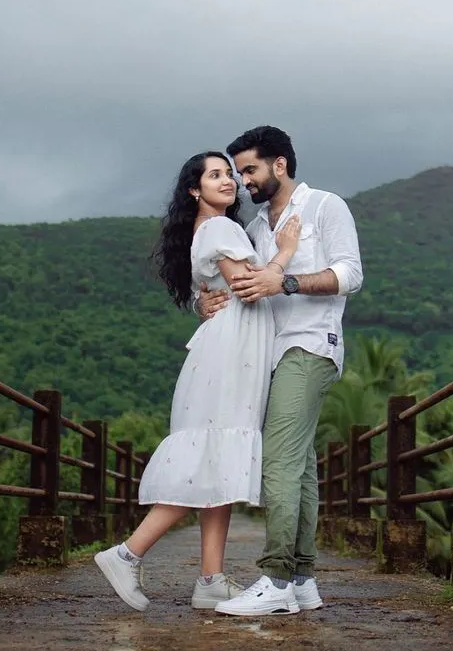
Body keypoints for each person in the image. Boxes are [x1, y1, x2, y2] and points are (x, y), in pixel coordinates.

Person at [94, 151, 301, 612]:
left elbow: (213, 294)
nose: (227, 180)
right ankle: (127, 553)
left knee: (218, 464)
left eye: (230, 174)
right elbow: (248, 285)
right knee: (208, 460)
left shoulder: (206, 230)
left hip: (225, 352)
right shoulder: (222, 229)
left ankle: (211, 579)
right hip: (229, 359)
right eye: (215, 175)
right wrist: (286, 250)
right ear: (194, 189)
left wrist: (204, 304)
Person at [197, 126, 363, 617]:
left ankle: (276, 579)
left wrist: (284, 279)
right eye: (236, 171)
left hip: (310, 346)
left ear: (280, 166)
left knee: (279, 463)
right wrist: (204, 300)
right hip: (267, 355)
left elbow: (351, 274)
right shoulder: (254, 230)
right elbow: (242, 284)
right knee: (301, 466)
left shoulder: (324, 207)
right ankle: (304, 579)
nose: (242, 180)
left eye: (249, 169)